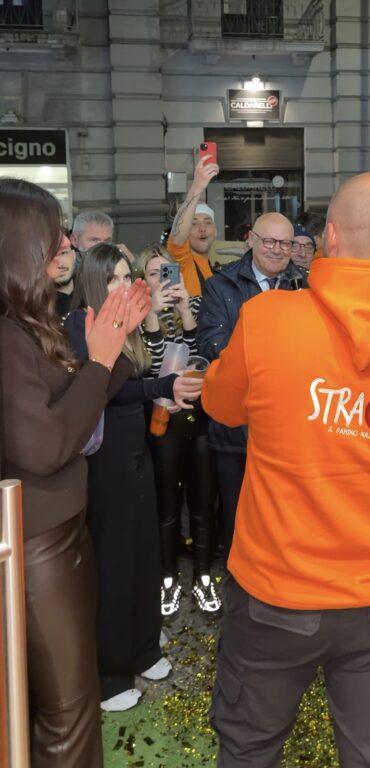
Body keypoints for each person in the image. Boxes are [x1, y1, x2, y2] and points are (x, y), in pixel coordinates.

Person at [202, 173, 370, 768]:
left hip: (276, 590)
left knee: (248, 746)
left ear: (328, 237)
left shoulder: (267, 319)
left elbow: (220, 405)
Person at [0, 178, 151, 768]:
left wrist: (112, 347)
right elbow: (45, 447)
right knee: (68, 709)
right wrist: (101, 360)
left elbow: (82, 405)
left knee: (67, 698)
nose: (66, 243)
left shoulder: (29, 320)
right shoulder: (8, 333)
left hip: (61, 532)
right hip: (37, 543)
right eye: (54, 233)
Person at [67, 244, 201, 712]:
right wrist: (160, 386)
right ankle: (110, 673)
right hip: (104, 464)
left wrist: (164, 390)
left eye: (128, 277)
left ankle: (144, 647)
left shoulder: (125, 324)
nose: (124, 286)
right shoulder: (82, 325)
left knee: (146, 555)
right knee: (115, 566)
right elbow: (107, 390)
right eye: (114, 279)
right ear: (94, 282)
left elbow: (141, 380)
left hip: (136, 455)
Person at [197, 213, 306, 557]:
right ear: (251, 240)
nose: (277, 249)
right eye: (269, 241)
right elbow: (211, 344)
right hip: (236, 428)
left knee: (285, 523)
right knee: (238, 521)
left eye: (285, 243)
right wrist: (273, 360)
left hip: (291, 431)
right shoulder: (221, 285)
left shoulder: (305, 286)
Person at [136, 243, 220, 617]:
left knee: (202, 503)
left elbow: (200, 352)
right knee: (167, 506)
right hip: (162, 422)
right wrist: (153, 315)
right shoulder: (138, 314)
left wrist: (185, 310)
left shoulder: (195, 305)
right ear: (143, 280)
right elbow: (154, 370)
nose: (163, 280)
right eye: (154, 273)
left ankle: (203, 576)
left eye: (167, 272)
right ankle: (167, 577)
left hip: (198, 418)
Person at [167, 154, 219, 298]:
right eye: (194, 224)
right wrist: (197, 187)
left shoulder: (215, 270)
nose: (202, 229)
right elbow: (178, 238)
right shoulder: (181, 261)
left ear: (215, 231)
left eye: (208, 222)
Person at [49, 230, 77, 318]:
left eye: (63, 253)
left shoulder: (91, 296)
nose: (59, 264)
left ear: (74, 255)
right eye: (50, 256)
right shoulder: (33, 310)